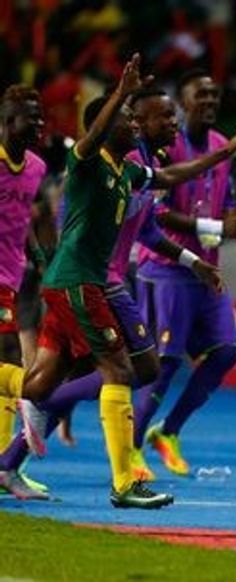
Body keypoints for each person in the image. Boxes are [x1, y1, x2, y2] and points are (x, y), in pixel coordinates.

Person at [0, 54, 236, 508]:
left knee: (46, 385)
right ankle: (124, 483)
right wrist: (119, 91)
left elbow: (171, 178)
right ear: (107, 125)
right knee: (119, 369)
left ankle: (18, 446)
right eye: (129, 120)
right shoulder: (88, 162)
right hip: (81, 282)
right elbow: (92, 135)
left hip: (90, 282)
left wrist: (222, 154)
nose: (136, 127)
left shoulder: (130, 171)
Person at [133, 68, 236, 477]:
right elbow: (154, 214)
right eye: (200, 95)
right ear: (182, 103)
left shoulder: (223, 146)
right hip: (167, 268)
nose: (209, 101)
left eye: (214, 94)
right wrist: (217, 228)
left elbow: (225, 204)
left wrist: (235, 225)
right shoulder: (167, 148)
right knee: (166, 363)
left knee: (228, 350)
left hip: (207, 269)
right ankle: (132, 448)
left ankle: (167, 432)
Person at [0, 84, 48, 491]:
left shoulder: (36, 166)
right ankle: (34, 399)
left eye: (40, 116)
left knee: (7, 356)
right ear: (7, 123)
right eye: (30, 117)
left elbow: (23, 215)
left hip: (15, 275)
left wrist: (38, 254)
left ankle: (3, 463)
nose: (39, 123)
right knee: (11, 354)